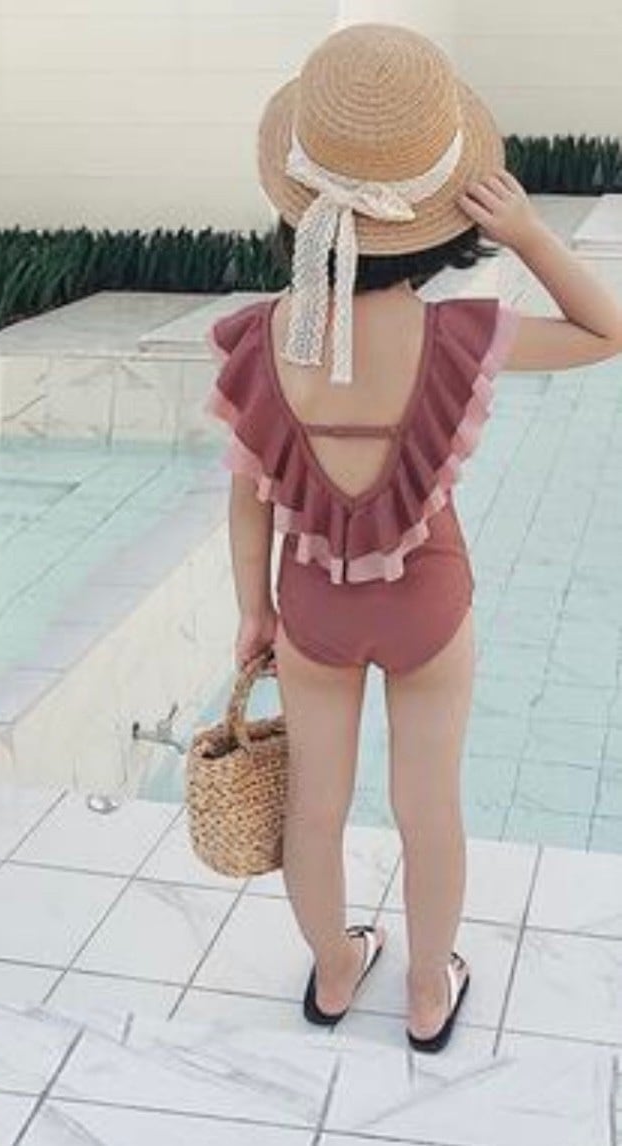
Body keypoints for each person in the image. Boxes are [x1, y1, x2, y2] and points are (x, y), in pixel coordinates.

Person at [208, 25, 622, 1053]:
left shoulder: (260, 337)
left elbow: (248, 497)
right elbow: (606, 330)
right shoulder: (459, 335)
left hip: (313, 607)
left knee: (314, 808)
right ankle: (429, 991)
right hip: (428, 601)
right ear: (440, 219)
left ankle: (335, 970)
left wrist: (254, 610)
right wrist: (527, 233)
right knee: (426, 806)